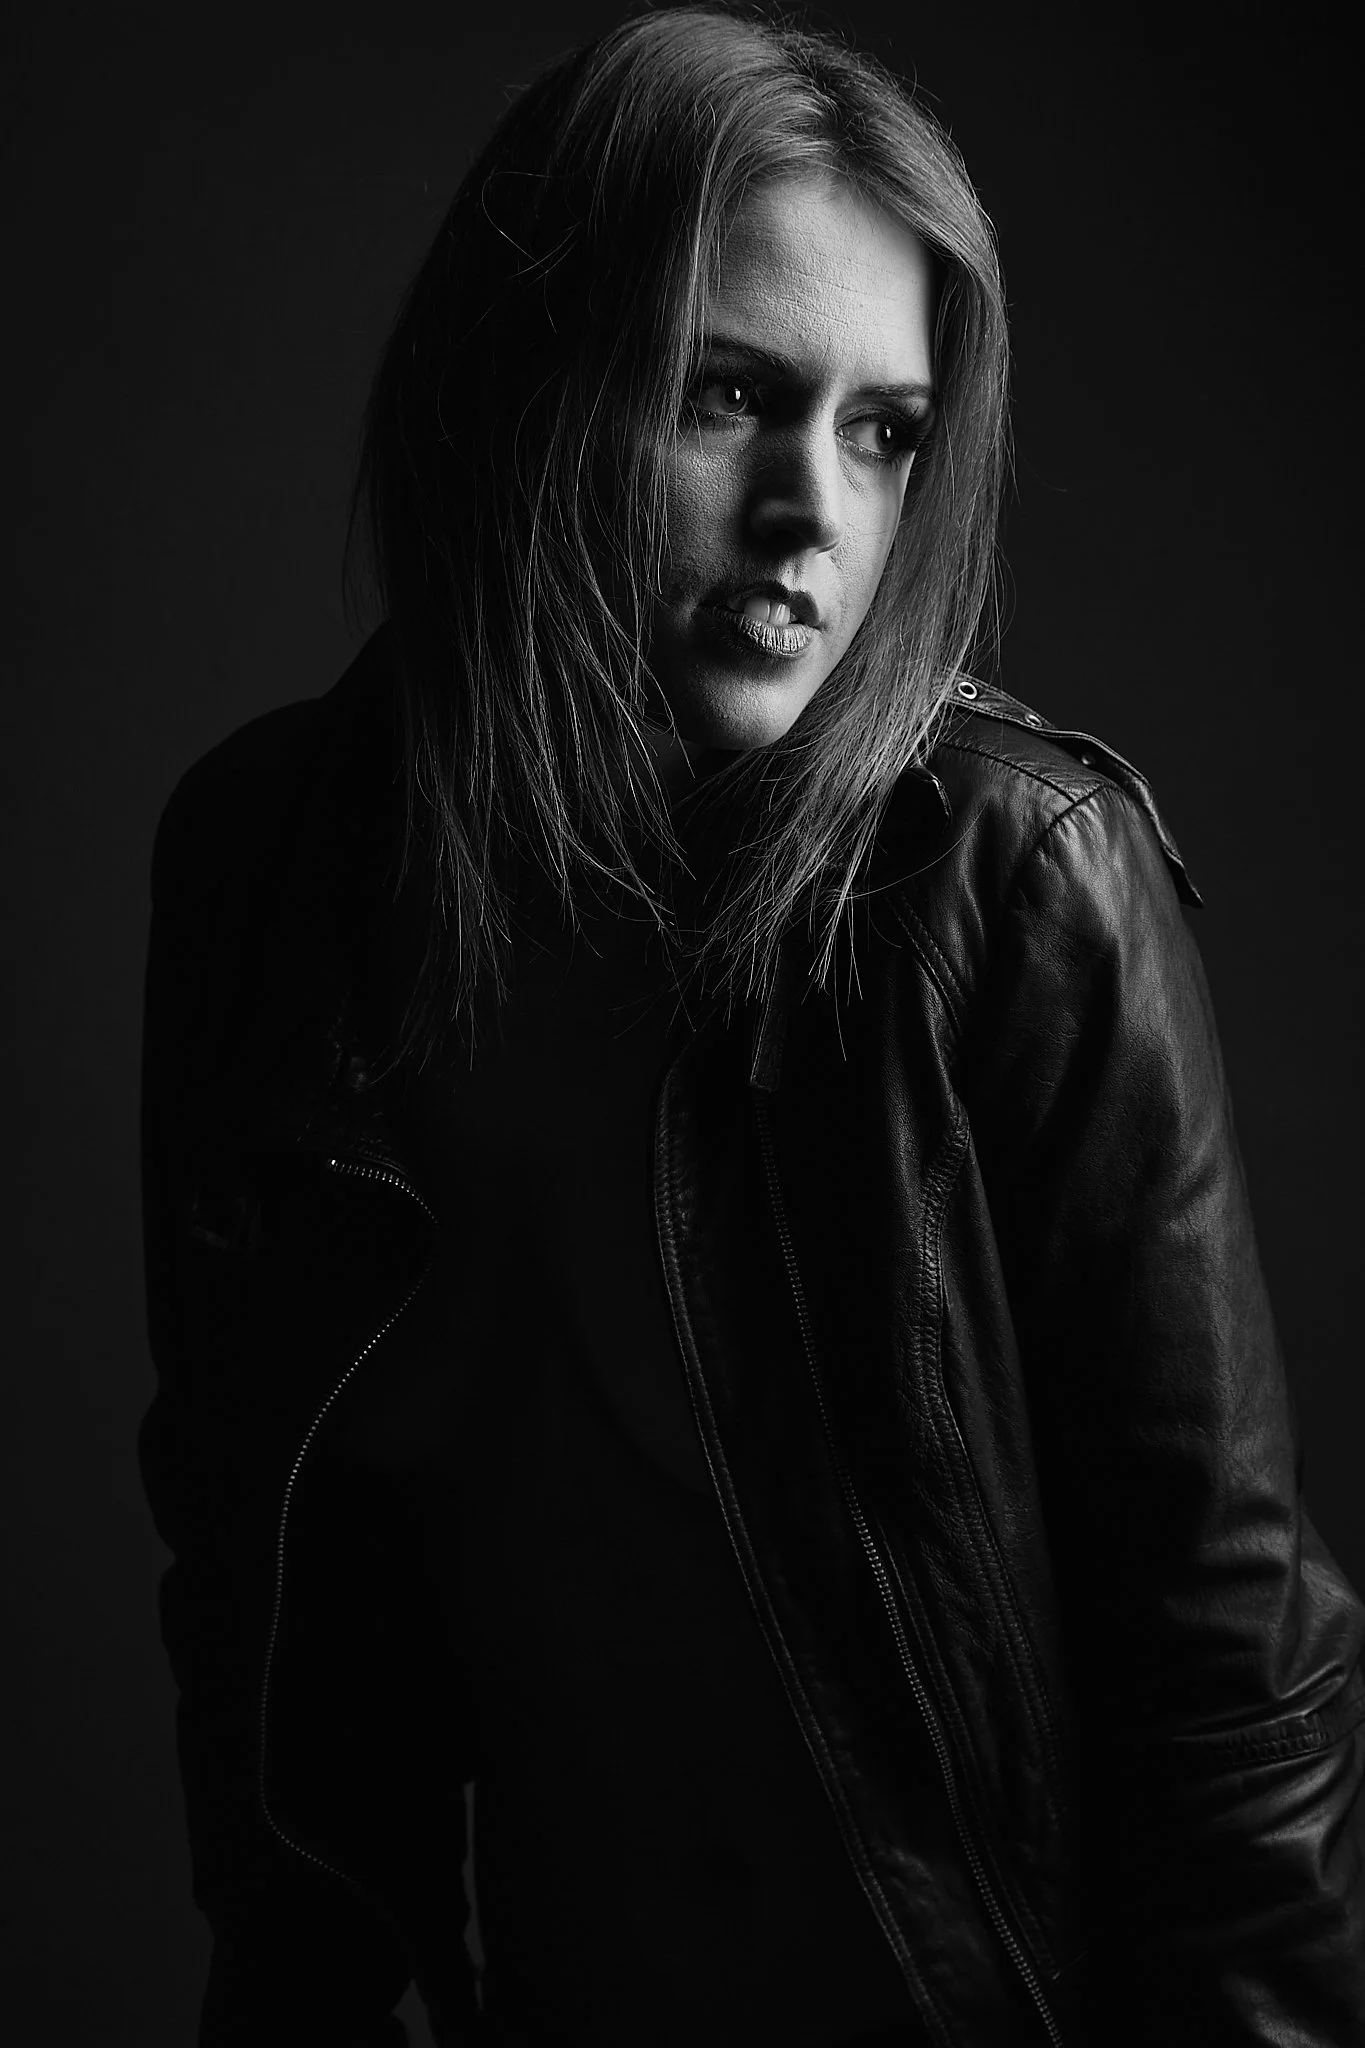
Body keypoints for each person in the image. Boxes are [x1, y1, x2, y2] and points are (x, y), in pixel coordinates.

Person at [138, 6, 1365, 2045]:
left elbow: (1231, 1699)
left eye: (880, 430)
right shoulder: (267, 873)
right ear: (517, 385)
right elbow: (248, 1601)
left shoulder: (1018, 881)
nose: (816, 514)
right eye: (727, 394)